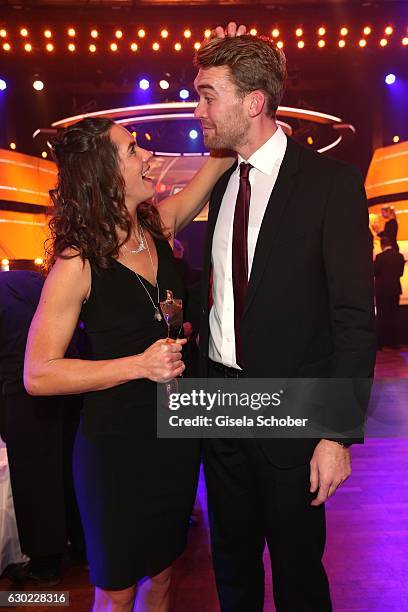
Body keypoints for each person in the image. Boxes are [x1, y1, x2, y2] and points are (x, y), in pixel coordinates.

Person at [194, 23, 376, 611]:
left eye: (207, 93)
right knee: (232, 565)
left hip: (292, 415)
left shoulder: (331, 184)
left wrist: (337, 435)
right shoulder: (222, 185)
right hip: (217, 405)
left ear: (253, 102)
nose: (197, 106)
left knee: (298, 573)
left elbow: (353, 318)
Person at [23, 118, 234, 612]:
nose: (147, 156)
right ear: (103, 174)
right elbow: (38, 373)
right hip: (115, 452)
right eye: (132, 149)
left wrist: (238, 88)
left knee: (162, 577)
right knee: (117, 592)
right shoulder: (77, 263)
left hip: (172, 444)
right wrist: (138, 365)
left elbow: (217, 165)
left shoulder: (156, 229)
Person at [0, 270, 84, 585]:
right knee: (70, 469)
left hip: (25, 390)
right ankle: (83, 548)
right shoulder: (29, 279)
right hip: (66, 381)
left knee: (34, 482)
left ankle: (45, 564)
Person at [374, 236, 405, 349]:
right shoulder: (399, 256)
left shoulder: (380, 257)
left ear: (382, 245)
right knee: (394, 316)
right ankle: (394, 343)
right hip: (395, 290)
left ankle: (379, 344)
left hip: (382, 291)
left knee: (381, 316)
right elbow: (401, 273)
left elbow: (374, 271)